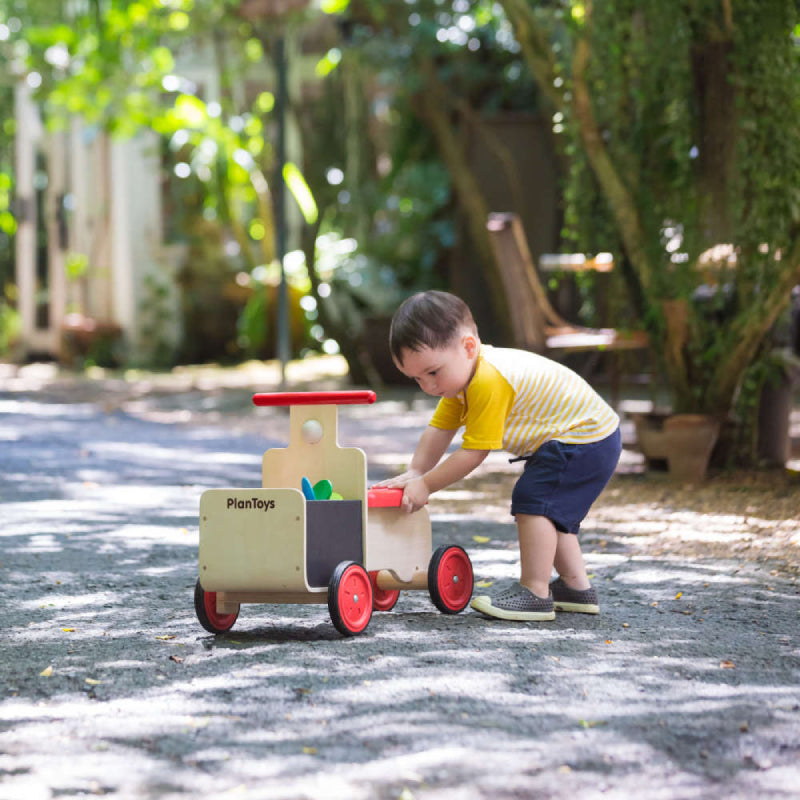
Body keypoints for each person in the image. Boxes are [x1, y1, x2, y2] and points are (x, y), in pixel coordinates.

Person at [374, 290, 621, 621]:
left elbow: (474, 453)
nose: (428, 386)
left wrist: (427, 486)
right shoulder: (460, 381)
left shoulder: (489, 380)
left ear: (468, 347)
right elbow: (439, 430)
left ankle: (535, 591)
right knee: (551, 510)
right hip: (581, 439)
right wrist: (416, 471)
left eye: (433, 373)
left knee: (534, 499)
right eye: (417, 379)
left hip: (585, 438)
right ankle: (576, 588)